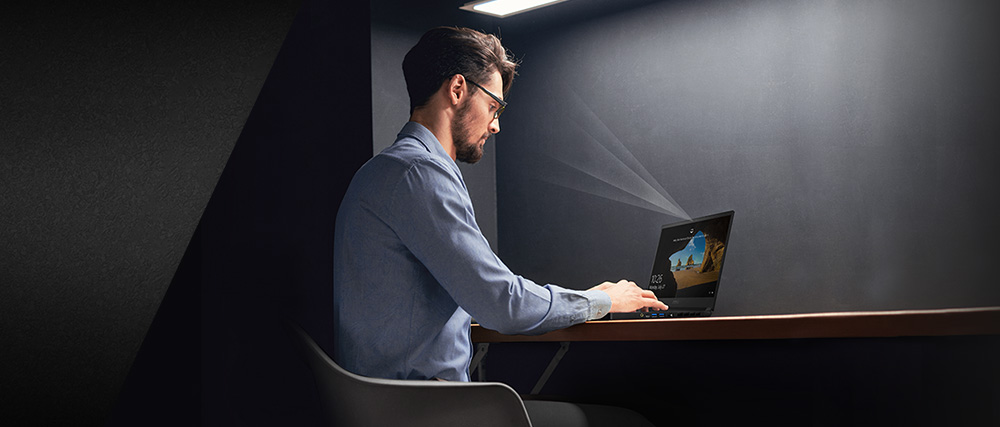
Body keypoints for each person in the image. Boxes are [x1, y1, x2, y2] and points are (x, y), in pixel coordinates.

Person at [333, 26, 666, 383]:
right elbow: (503, 303)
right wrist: (600, 300)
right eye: (494, 106)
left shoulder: (380, 171)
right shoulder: (420, 173)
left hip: (383, 404)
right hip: (426, 408)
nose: (496, 126)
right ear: (458, 89)